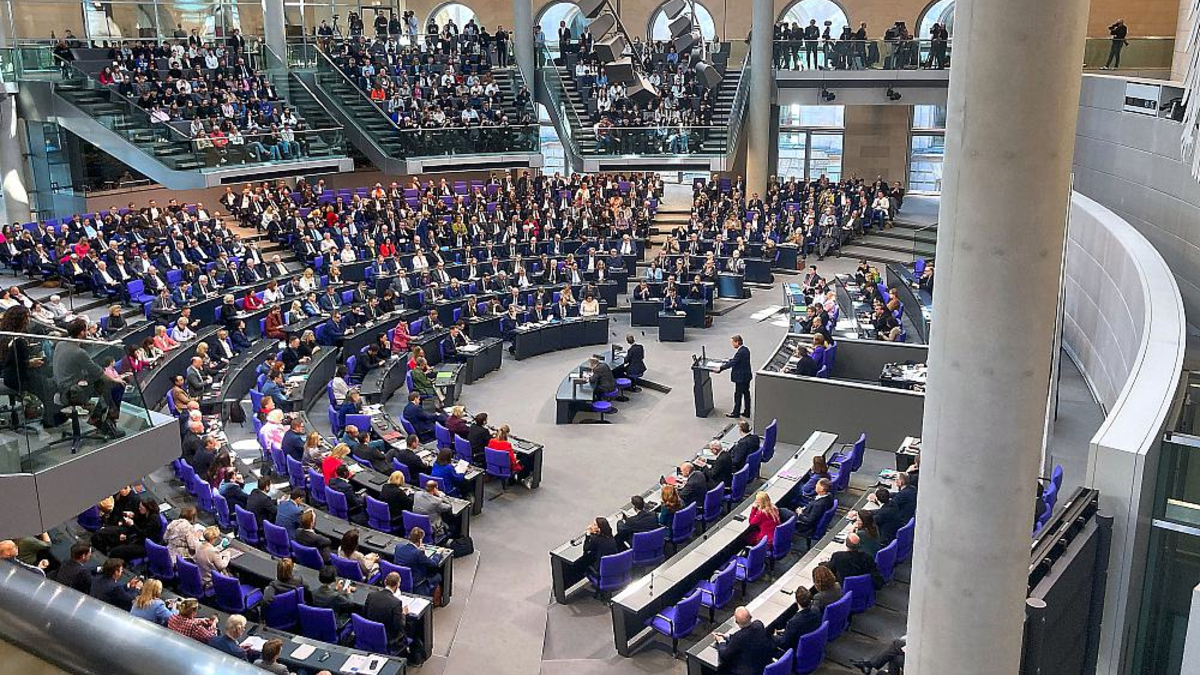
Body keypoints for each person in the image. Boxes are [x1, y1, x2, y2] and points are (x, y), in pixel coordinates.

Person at [53, 318, 123, 437]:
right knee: (114, 385)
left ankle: (101, 419)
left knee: (102, 384)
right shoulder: (79, 352)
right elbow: (97, 371)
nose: (87, 333)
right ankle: (105, 422)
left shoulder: (61, 343)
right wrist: (115, 379)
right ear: (81, 333)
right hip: (72, 392)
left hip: (61, 386)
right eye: (86, 330)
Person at [713, 607, 775, 675]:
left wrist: (721, 641)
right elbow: (745, 638)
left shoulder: (739, 637)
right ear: (751, 617)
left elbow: (724, 655)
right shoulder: (758, 624)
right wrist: (727, 636)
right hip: (763, 664)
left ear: (737, 622)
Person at [363, 572, 408, 654]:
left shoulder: (371, 595)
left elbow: (364, 613)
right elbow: (399, 626)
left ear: (385, 582)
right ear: (397, 585)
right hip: (388, 637)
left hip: (370, 632)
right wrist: (403, 614)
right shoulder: (396, 603)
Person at [395, 526, 444, 600]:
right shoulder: (417, 553)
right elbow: (433, 564)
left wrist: (421, 552)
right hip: (417, 582)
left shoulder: (398, 547)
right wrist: (438, 553)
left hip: (401, 579)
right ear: (420, 540)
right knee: (438, 576)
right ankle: (435, 602)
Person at [873, 472, 917, 542]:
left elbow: (888, 506)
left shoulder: (900, 497)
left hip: (901, 522)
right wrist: (887, 494)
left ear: (900, 482)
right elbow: (897, 494)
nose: (895, 480)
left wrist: (877, 499)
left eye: (896, 479)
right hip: (909, 516)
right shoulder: (912, 489)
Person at [719, 334, 752, 418]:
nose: (732, 344)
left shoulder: (740, 353)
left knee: (738, 395)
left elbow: (733, 363)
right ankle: (747, 412)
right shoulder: (746, 349)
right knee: (746, 394)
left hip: (741, 378)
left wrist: (721, 368)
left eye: (733, 342)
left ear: (737, 342)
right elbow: (737, 360)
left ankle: (735, 413)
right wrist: (730, 360)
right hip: (747, 376)